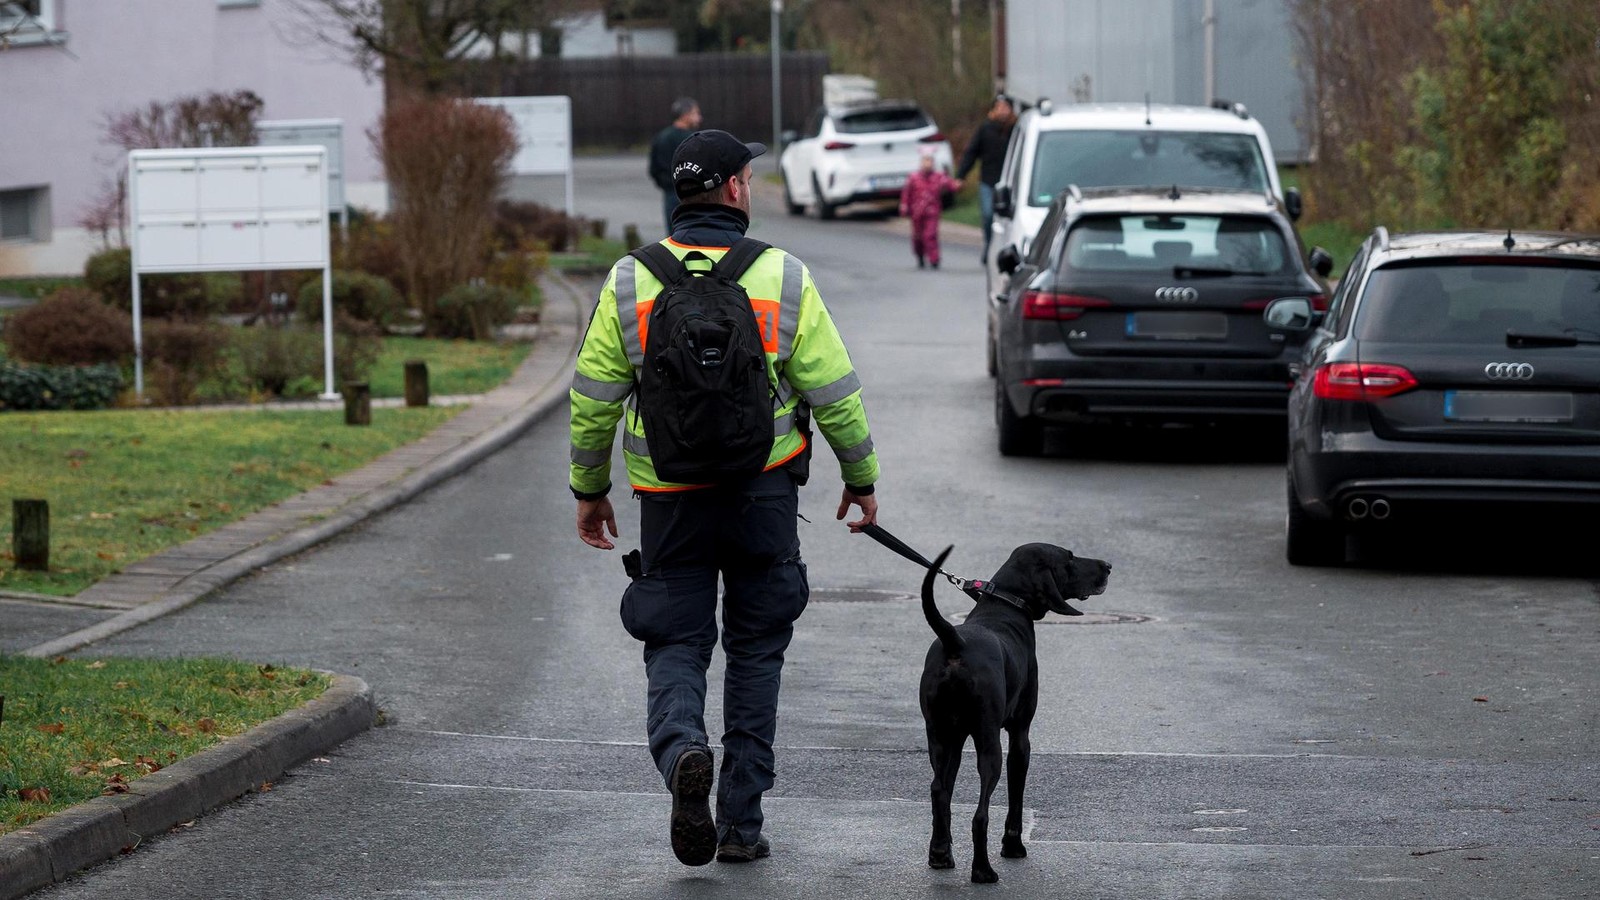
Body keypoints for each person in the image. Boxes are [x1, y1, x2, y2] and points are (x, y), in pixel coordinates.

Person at [570, 129, 881, 867]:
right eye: (749, 177)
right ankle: (741, 824)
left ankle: (684, 748)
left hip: (669, 500)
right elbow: (834, 392)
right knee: (756, 650)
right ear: (735, 189)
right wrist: (860, 477)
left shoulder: (629, 281)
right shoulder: (783, 276)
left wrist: (589, 489)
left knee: (676, 640)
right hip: (761, 495)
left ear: (681, 192)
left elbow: (593, 400)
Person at [955, 93, 1018, 263]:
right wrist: (961, 176)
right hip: (988, 182)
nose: (1002, 111)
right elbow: (971, 153)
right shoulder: (985, 129)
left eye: (1005, 107)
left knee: (1009, 218)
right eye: (999, 107)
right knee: (988, 215)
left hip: (1009, 183)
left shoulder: (1016, 130)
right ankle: (989, 246)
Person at [899, 147, 963, 269]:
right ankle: (920, 255)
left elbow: (949, 184)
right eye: (925, 160)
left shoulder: (938, 177)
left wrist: (957, 185)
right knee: (917, 236)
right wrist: (904, 206)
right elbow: (906, 194)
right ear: (921, 162)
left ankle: (934, 258)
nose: (928, 164)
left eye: (930, 161)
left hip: (932, 211)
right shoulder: (913, 177)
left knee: (930, 235)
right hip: (917, 212)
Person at [648, 97, 702, 235]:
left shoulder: (661, 137)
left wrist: (667, 185)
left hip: (671, 193)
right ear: (685, 115)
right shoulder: (694, 139)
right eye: (696, 113)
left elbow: (654, 169)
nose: (699, 118)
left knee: (674, 236)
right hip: (694, 195)